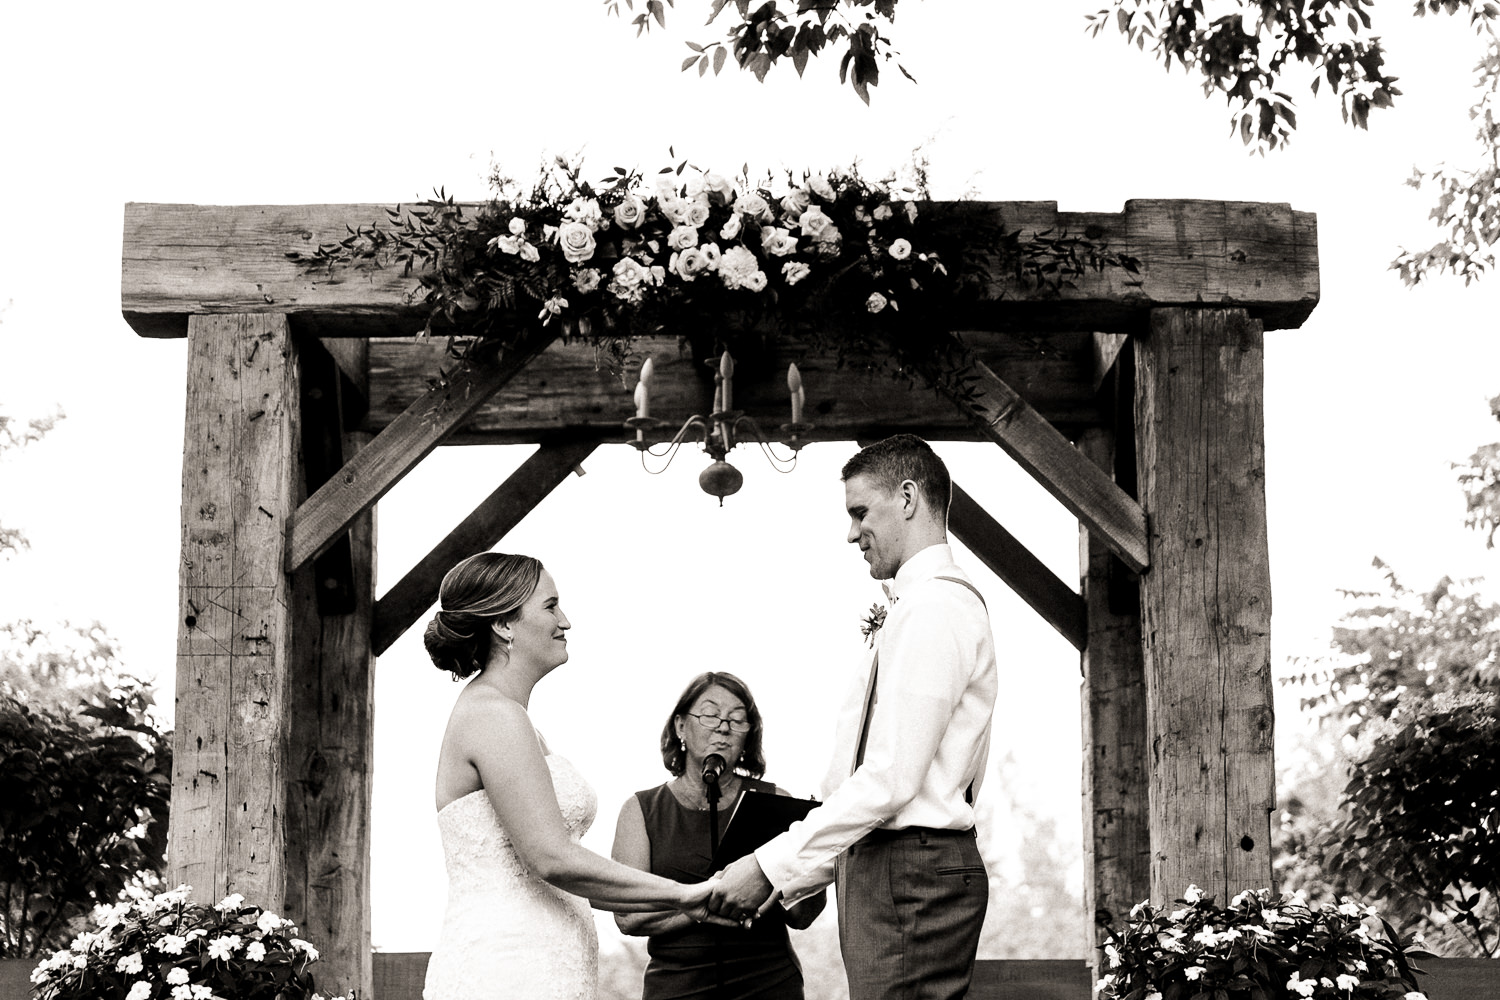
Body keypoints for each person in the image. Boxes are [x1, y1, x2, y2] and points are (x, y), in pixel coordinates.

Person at [708, 434, 999, 1000]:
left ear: (909, 498)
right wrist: (812, 870)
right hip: (889, 863)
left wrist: (771, 865)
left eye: (860, 512)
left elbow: (893, 778)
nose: (850, 533)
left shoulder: (937, 607)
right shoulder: (917, 606)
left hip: (909, 869)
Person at [422, 552, 728, 1000]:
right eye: (550, 606)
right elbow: (551, 858)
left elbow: (575, 877)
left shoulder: (516, 721)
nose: (565, 620)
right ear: (504, 624)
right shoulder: (492, 716)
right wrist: (683, 894)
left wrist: (687, 901)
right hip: (506, 970)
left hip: (545, 965)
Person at [611, 672, 827, 999]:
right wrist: (713, 901)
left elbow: (802, 916)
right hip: (677, 988)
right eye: (711, 714)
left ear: (748, 737)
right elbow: (629, 916)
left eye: (738, 720)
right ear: (681, 726)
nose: (723, 728)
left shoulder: (777, 800)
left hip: (769, 984)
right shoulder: (640, 810)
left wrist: (811, 855)